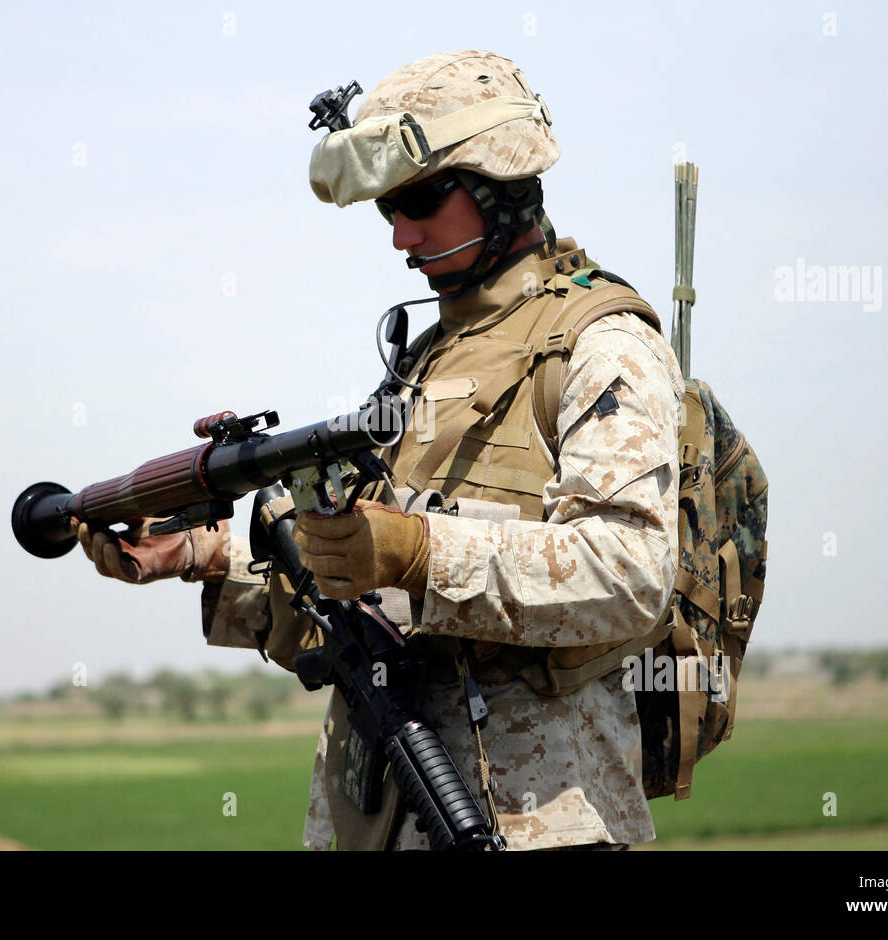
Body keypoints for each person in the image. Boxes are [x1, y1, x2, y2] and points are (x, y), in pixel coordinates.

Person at [75, 50, 686, 851]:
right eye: (387, 210)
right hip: (391, 814)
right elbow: (365, 605)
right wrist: (198, 553)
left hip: (536, 824)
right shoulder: (430, 359)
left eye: (421, 200)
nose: (402, 234)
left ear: (500, 180)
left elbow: (633, 572)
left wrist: (422, 553)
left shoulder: (600, 342)